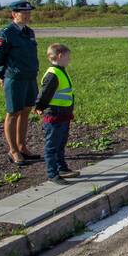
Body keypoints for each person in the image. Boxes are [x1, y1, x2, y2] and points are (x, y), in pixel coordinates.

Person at [0, 0, 41, 165]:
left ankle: (22, 147)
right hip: (15, 78)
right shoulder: (6, 34)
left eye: (28, 13)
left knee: (26, 111)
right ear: (14, 14)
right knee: (13, 113)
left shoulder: (29, 32)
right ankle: (13, 150)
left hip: (29, 77)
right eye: (22, 13)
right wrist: (2, 76)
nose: (26, 16)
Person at [35, 43, 80, 184]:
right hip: (54, 115)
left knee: (61, 143)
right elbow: (45, 94)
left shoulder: (60, 70)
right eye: (68, 56)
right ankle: (52, 174)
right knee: (52, 145)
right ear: (60, 56)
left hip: (63, 114)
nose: (69, 59)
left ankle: (62, 168)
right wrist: (39, 106)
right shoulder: (52, 74)